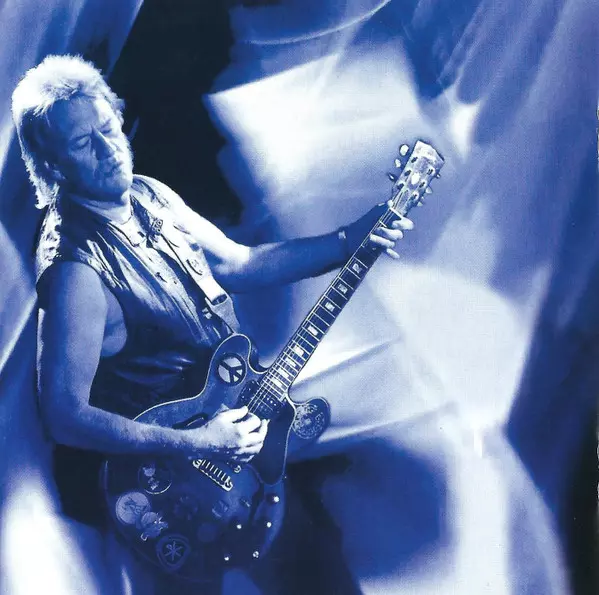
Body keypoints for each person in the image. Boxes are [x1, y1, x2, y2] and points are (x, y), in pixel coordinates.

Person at [11, 54, 412, 594]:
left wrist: (348, 240)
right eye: (85, 143)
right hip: (171, 495)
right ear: (54, 166)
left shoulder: (148, 194)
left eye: (108, 127)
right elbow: (64, 416)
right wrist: (198, 442)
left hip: (242, 454)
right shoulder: (74, 272)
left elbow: (238, 264)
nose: (109, 150)